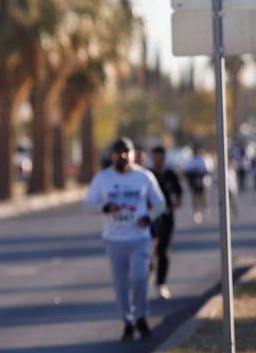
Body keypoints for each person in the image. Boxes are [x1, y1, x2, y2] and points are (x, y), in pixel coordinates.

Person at [85, 137, 166, 342]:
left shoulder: (144, 177)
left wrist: (148, 217)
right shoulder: (102, 178)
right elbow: (88, 204)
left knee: (140, 277)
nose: (122, 156)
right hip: (114, 239)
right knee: (121, 283)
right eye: (118, 152)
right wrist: (104, 208)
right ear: (112, 155)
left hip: (139, 237)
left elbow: (159, 203)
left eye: (126, 152)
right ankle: (127, 321)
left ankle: (141, 317)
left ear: (132, 154)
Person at [149, 146, 183, 300]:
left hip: (167, 217)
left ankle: (161, 284)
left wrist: (176, 203)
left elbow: (179, 193)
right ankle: (146, 279)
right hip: (150, 219)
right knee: (149, 252)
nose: (157, 161)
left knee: (164, 251)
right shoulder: (148, 175)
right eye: (155, 158)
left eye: (160, 158)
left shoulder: (170, 175)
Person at [182, 145, 214, 224]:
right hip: (194, 182)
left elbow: (209, 169)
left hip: (204, 181)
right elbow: (187, 170)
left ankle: (205, 210)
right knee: (195, 198)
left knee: (204, 197)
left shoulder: (205, 159)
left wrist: (200, 174)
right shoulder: (191, 160)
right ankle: (196, 213)